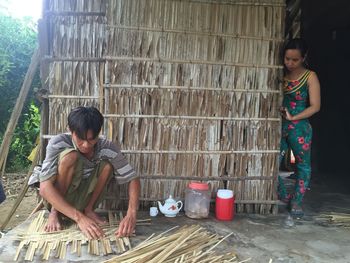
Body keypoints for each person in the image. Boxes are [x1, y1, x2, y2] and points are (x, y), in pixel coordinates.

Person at [38, 106, 140, 239]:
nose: (86, 145)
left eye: (92, 139)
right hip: (57, 200)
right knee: (70, 156)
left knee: (107, 165)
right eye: (80, 138)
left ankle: (89, 210)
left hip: (84, 200)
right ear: (70, 130)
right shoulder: (59, 142)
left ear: (98, 133)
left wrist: (131, 214)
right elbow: (44, 188)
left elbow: (133, 178)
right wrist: (80, 219)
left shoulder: (107, 147)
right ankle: (55, 213)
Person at [278, 38, 321, 217]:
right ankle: (284, 195)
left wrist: (294, 116)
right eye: (287, 58)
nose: (290, 63)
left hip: (300, 128)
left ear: (304, 58)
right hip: (279, 126)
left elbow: (315, 106)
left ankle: (296, 202)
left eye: (295, 60)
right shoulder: (279, 74)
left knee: (303, 166)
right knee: (270, 162)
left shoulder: (310, 76)